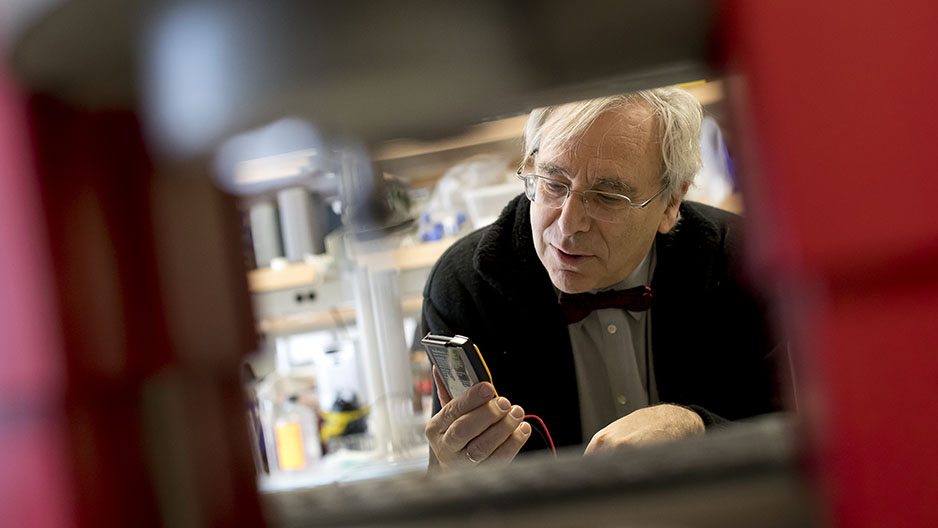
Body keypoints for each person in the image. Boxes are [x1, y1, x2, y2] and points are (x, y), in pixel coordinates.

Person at [421, 87, 787, 470]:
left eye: (608, 197)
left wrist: (697, 427)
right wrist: (453, 471)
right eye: (553, 183)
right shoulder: (465, 285)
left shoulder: (747, 262)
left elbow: (800, 447)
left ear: (671, 203)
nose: (567, 226)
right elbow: (448, 478)